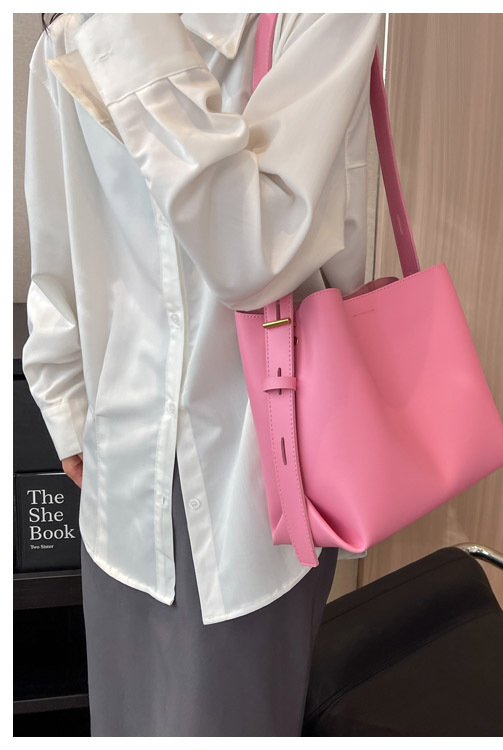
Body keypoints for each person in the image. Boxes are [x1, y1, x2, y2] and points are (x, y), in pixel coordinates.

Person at [22, 12, 382, 736]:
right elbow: (56, 243)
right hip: (121, 463)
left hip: (265, 476)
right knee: (123, 720)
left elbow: (255, 254)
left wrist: (133, 36)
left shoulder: (318, 18)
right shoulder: (72, 35)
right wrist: (64, 402)